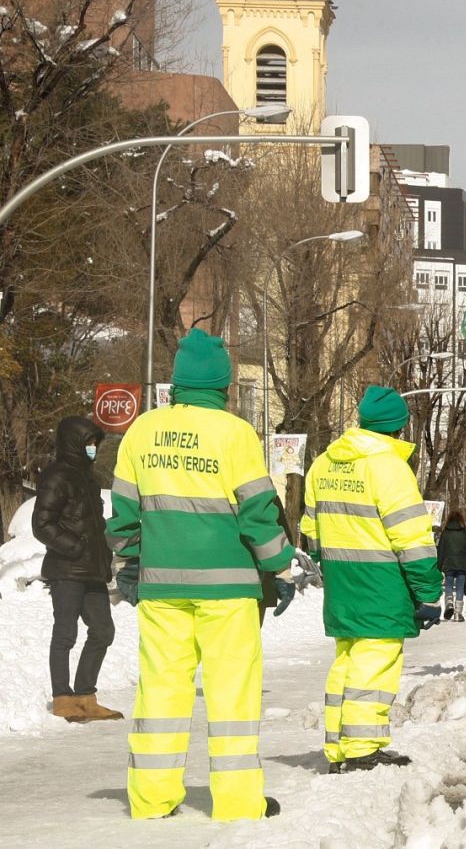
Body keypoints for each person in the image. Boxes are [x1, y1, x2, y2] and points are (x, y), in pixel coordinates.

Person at [106, 328, 293, 820]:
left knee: (161, 689)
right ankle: (238, 802)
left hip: (163, 587)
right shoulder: (235, 433)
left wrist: (131, 563)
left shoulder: (142, 431)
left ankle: (150, 800)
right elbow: (257, 513)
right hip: (228, 590)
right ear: (224, 386)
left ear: (178, 382)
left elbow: (123, 514)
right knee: (232, 691)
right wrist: (280, 565)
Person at [300, 386, 443, 774]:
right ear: (398, 428)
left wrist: (331, 565)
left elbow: (311, 531)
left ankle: (338, 745)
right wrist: (429, 592)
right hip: (381, 583)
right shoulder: (389, 468)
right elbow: (412, 538)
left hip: (341, 584)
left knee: (346, 663)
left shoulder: (324, 463)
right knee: (375, 665)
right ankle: (362, 747)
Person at [35, 415, 121, 723]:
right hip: (67, 569)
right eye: (88, 443)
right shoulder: (57, 476)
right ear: (73, 442)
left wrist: (103, 560)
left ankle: (85, 696)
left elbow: (94, 526)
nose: (93, 448)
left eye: (95, 443)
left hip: (92, 571)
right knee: (65, 633)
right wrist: (76, 548)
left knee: (103, 631)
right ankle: (62, 697)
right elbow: (41, 525)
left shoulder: (89, 478)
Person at [437, 510, 466, 622]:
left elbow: (441, 550)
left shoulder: (445, 533)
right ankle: (458, 613)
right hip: (462, 564)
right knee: (460, 588)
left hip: (449, 563)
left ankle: (449, 603)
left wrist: (439, 565)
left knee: (448, 586)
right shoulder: (465, 534)